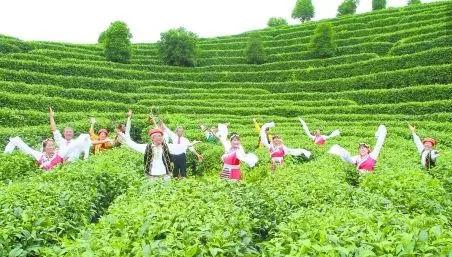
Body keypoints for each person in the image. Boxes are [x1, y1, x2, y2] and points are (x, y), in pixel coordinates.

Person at [4, 135, 91, 171]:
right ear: (44, 148)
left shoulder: (59, 154)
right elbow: (27, 149)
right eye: (49, 146)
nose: (51, 147)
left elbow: (72, 147)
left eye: (52, 145)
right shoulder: (40, 155)